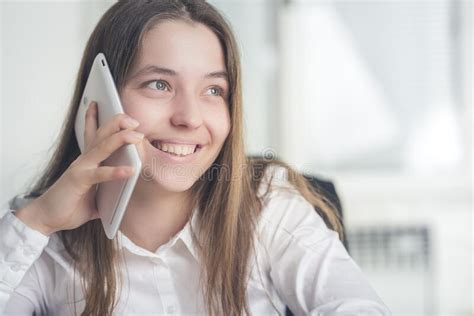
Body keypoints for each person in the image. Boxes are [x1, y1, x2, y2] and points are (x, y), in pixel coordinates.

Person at [0, 1, 391, 315]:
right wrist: (37, 221)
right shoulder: (42, 242)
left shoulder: (267, 203)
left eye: (214, 91)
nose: (189, 118)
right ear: (97, 103)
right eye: (159, 84)